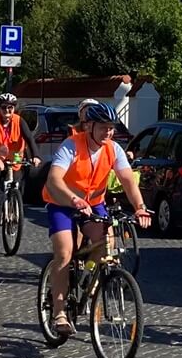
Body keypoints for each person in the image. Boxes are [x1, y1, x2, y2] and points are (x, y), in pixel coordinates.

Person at [42, 102, 150, 337]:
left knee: (106, 242)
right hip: (62, 204)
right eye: (103, 128)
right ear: (88, 126)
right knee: (64, 253)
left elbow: (128, 180)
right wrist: (73, 199)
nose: (108, 133)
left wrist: (140, 208)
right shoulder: (71, 146)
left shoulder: (114, 149)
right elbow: (54, 180)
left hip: (94, 205)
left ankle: (86, 281)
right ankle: (59, 312)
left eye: (111, 128)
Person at [0, 94, 39, 206]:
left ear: (14, 109)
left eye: (10, 107)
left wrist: (36, 156)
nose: (7, 110)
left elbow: (29, 139)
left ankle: (14, 206)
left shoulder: (19, 121)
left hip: (15, 160)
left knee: (17, 184)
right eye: (4, 107)